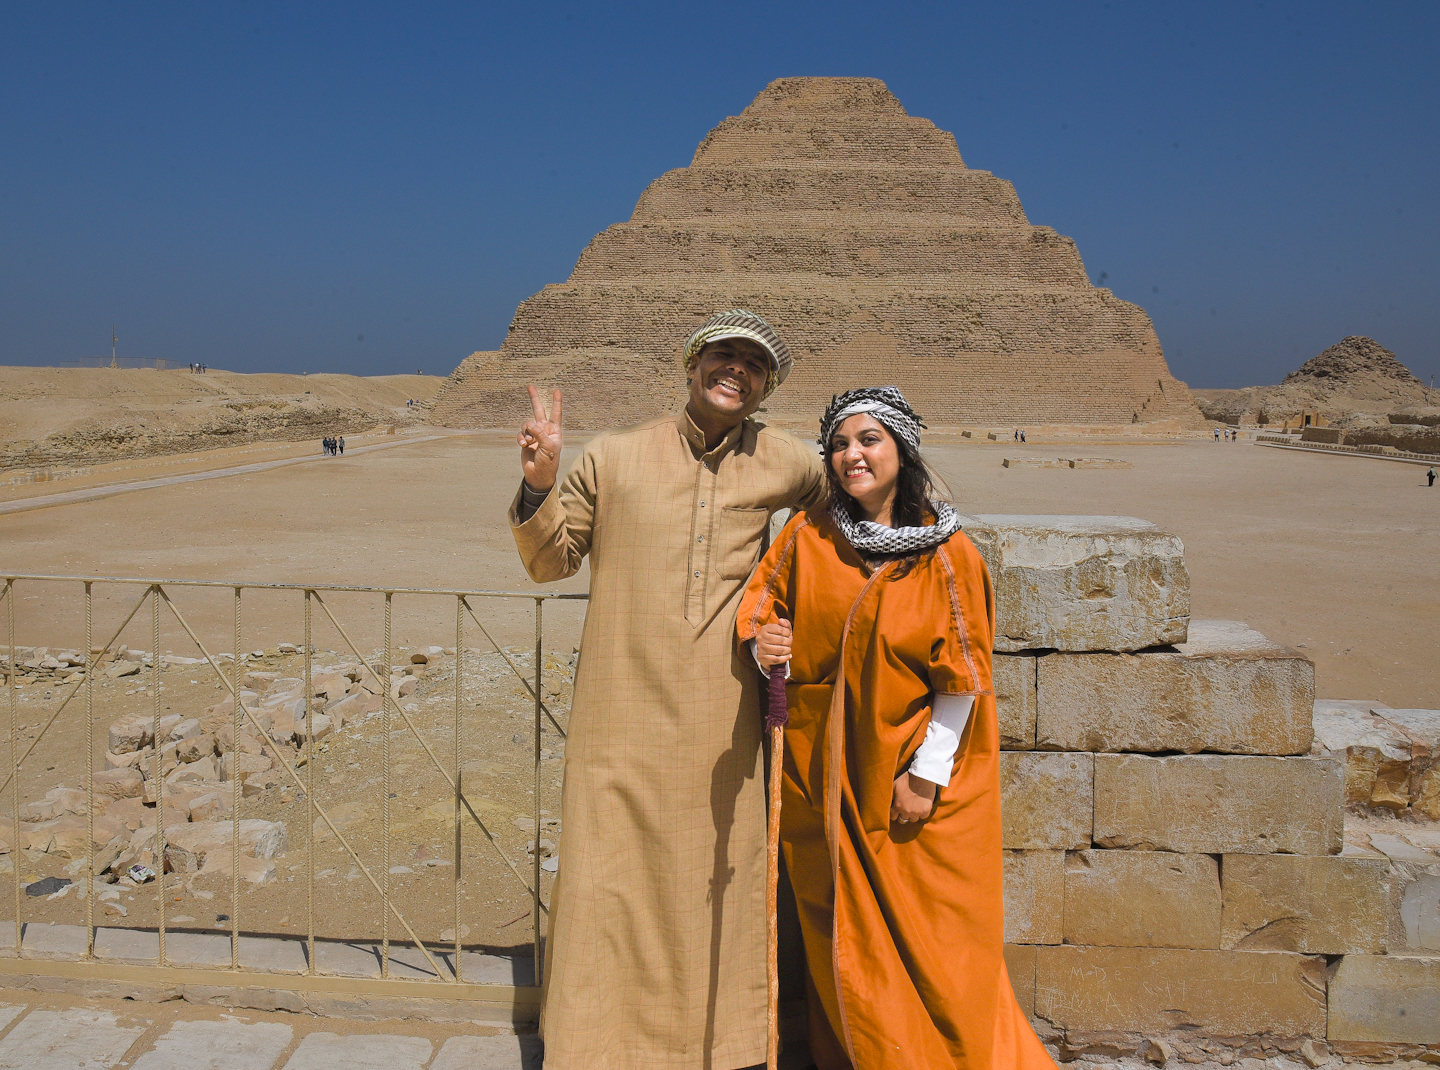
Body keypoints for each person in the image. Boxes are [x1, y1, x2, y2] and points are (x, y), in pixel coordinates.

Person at [509, 309, 828, 1069]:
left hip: (723, 720)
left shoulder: (789, 462)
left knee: (713, 882)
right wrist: (539, 484)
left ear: (766, 385)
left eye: (753, 366)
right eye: (722, 356)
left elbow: (848, 523)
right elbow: (550, 561)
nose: (735, 372)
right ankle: (594, 1048)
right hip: (617, 713)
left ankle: (719, 1048)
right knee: (608, 885)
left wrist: (780, 615)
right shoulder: (613, 458)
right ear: (691, 365)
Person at [737, 387, 1057, 1070]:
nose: (851, 455)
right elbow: (762, 604)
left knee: (936, 944)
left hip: (908, 781)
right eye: (840, 443)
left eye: (869, 439)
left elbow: (964, 678)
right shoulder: (808, 532)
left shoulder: (946, 553)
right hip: (821, 780)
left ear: (902, 447)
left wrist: (926, 775)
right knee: (838, 938)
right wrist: (763, 640)